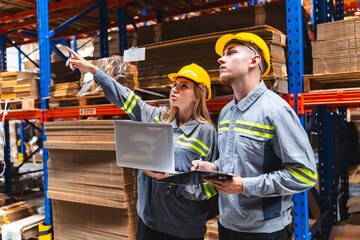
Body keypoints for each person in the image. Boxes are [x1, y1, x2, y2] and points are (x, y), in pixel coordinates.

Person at [66, 48, 218, 240]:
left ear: (198, 95)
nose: (175, 88)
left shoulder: (206, 132)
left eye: (184, 85)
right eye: (174, 84)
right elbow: (124, 97)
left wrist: (174, 180)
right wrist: (94, 70)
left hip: (182, 225)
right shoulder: (158, 117)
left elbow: (210, 186)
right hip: (150, 221)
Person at [192, 32, 318, 240]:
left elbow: (305, 174)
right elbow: (238, 159)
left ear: (254, 60)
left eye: (231, 53)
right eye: (223, 55)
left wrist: (244, 186)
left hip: (264, 232)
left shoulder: (275, 111)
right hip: (228, 225)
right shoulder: (226, 112)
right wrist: (215, 167)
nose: (221, 59)